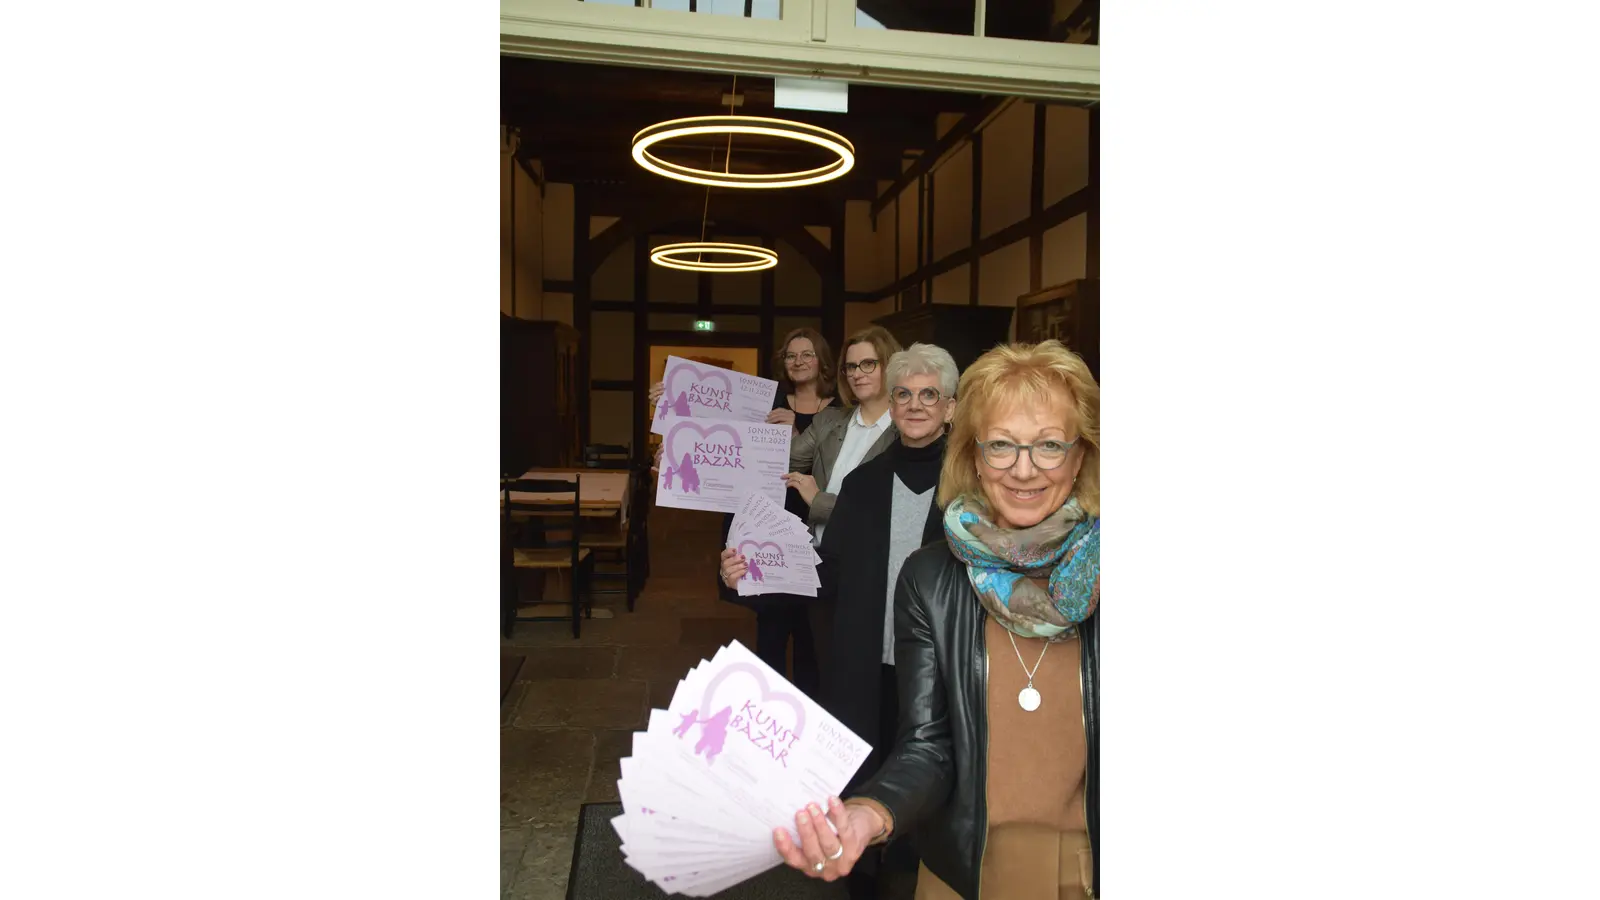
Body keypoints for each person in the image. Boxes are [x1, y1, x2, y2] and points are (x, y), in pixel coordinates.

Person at [768, 340, 1102, 900]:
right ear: (974, 455)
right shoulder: (931, 577)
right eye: (1001, 445)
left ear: (1081, 456)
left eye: (1049, 444)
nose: (1023, 469)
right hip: (959, 867)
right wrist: (871, 811)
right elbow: (930, 744)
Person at [724, 342, 958, 900]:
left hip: (941, 669)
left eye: (930, 395)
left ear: (951, 407)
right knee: (867, 784)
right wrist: (751, 572)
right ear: (891, 404)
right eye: (904, 394)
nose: (915, 405)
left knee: (938, 790)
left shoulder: (971, 484)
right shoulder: (864, 483)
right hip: (867, 663)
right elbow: (824, 573)